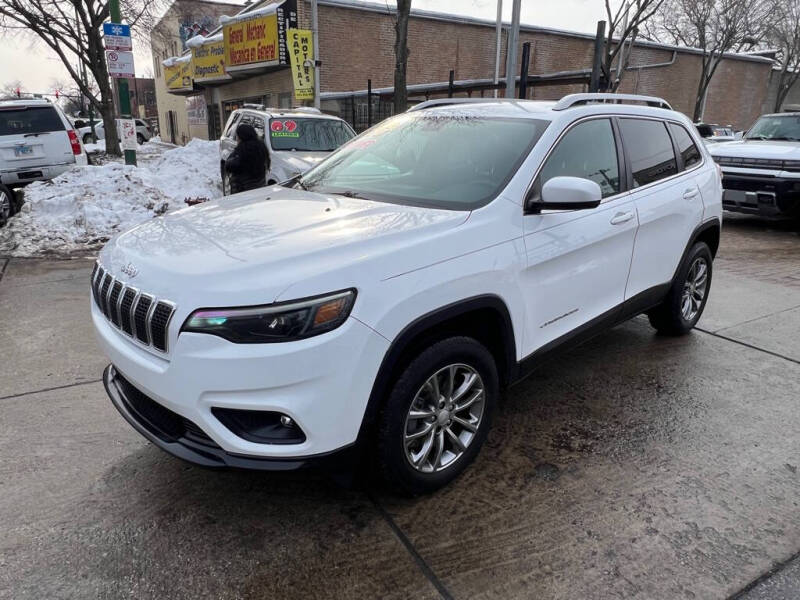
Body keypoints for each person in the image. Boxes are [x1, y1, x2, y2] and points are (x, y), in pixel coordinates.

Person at [225, 123, 267, 194]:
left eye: (237, 136)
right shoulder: (261, 147)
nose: (237, 138)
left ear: (241, 137)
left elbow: (229, 165)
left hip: (243, 190)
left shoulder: (242, 150)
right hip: (259, 187)